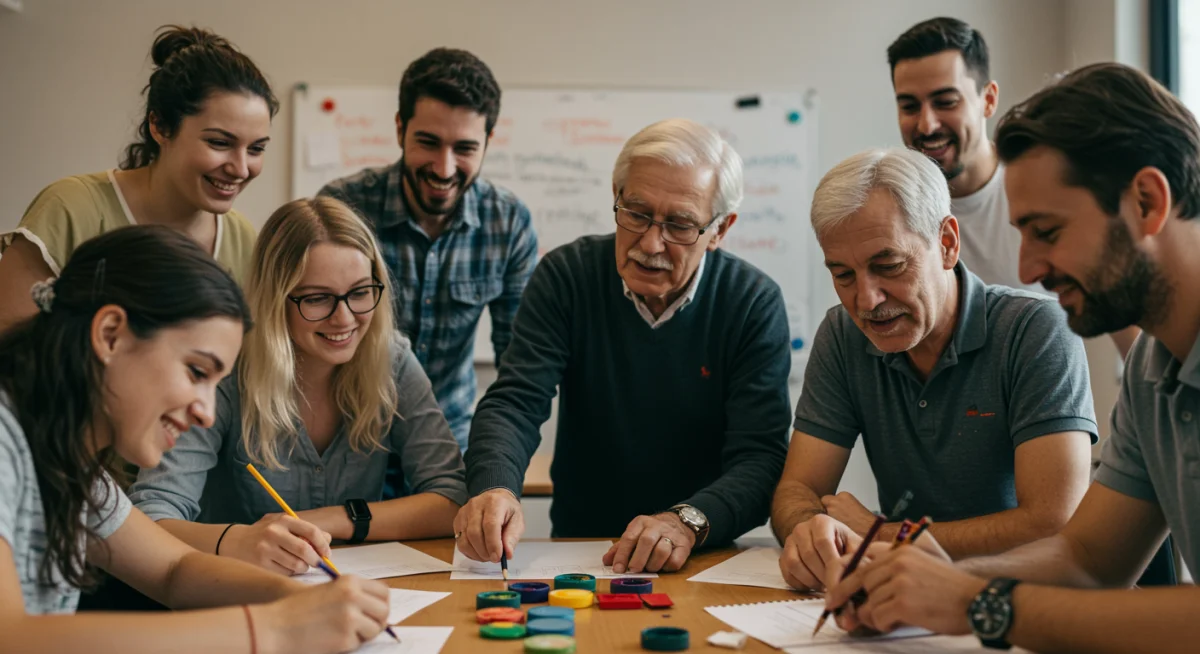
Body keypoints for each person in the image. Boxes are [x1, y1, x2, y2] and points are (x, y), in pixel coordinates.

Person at [823, 63, 1200, 653]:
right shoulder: (1154, 368)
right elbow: (1088, 557)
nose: (1028, 271)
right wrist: (918, 583)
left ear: (1147, 201)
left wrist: (979, 603)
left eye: (1047, 231)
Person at [0, 225, 390, 653]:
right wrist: (277, 627)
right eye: (196, 372)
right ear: (110, 334)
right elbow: (10, 636)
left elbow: (174, 569)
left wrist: (302, 600)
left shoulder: (70, 461)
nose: (205, 411)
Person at [453, 119, 791, 575]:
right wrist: (495, 488)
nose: (651, 244)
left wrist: (687, 522)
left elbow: (761, 456)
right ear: (615, 194)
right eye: (636, 213)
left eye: (680, 225)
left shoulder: (752, 302)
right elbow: (515, 401)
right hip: (582, 549)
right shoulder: (567, 276)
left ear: (720, 229)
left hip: (703, 556)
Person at [771, 147, 1096, 592]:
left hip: (1023, 598)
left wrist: (881, 537)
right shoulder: (843, 333)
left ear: (946, 243)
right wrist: (810, 532)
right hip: (906, 596)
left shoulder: (1036, 329)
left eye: (888, 266)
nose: (866, 301)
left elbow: (1054, 522)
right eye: (843, 275)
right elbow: (796, 488)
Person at [129, 197, 467, 575]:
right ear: (275, 299)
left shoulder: (392, 361)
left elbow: (451, 499)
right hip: (230, 594)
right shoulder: (226, 370)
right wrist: (236, 541)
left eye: (359, 293)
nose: (344, 318)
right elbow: (149, 518)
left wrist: (330, 519)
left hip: (348, 592)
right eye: (318, 298)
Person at [319, 48, 537, 456]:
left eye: (465, 149)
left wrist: (497, 463)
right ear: (400, 128)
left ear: (489, 141)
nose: (443, 167)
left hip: (448, 438)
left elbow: (518, 368)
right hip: (350, 439)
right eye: (428, 143)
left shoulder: (507, 223)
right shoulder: (343, 208)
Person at [887, 17, 1139, 356]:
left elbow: (1133, 334)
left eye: (946, 102)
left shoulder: (1045, 195)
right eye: (909, 106)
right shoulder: (895, 212)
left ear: (988, 100)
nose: (927, 124)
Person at [0, 25, 274, 332]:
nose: (240, 168)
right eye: (219, 143)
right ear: (160, 126)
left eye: (256, 148)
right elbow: (11, 353)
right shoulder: (72, 209)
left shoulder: (242, 238)